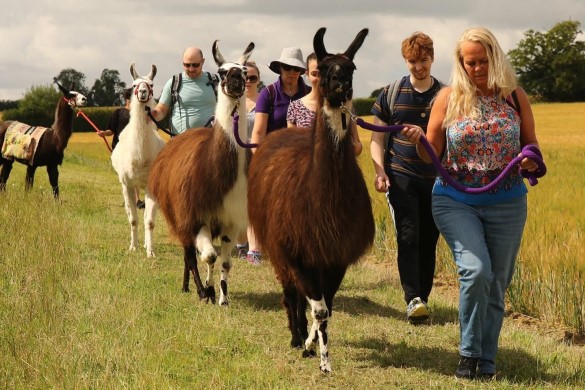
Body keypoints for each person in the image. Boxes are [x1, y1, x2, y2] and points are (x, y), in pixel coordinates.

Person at [404, 27, 540, 380]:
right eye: (470, 62)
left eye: (483, 61)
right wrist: (420, 140)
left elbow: (532, 144)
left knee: (497, 281)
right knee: (476, 271)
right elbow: (428, 153)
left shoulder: (515, 97)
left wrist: (529, 159)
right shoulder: (448, 98)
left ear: (495, 58)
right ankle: (468, 353)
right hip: (455, 199)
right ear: (461, 64)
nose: (478, 68)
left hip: (508, 201)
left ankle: (487, 359)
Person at [370, 32, 443, 323]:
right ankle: (412, 299)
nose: (419, 67)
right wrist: (379, 171)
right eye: (413, 62)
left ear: (432, 58)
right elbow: (376, 139)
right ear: (405, 61)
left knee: (429, 239)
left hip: (435, 179)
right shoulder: (390, 93)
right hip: (401, 174)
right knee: (409, 235)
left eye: (423, 61)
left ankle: (422, 298)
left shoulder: (445, 95)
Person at [247, 46, 310, 265]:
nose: (291, 72)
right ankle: (254, 248)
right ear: (280, 69)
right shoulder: (269, 93)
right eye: (287, 67)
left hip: (301, 158)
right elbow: (258, 131)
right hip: (271, 155)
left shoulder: (309, 93)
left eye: (296, 68)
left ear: (302, 71)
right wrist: (260, 159)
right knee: (259, 199)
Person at [287, 52, 362, 154]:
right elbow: (291, 147)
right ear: (307, 74)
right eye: (315, 74)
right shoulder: (295, 107)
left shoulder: (343, 107)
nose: (320, 78)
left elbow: (357, 146)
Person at [151, 47, 217, 135]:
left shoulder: (216, 82)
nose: (191, 69)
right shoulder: (173, 83)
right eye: (187, 65)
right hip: (181, 142)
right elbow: (162, 110)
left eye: (195, 65)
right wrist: (153, 114)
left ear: (203, 61)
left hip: (209, 142)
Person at [98, 87, 144, 208]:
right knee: (126, 175)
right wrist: (104, 133)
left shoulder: (139, 114)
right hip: (119, 149)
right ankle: (131, 199)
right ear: (128, 99)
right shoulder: (118, 113)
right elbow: (111, 130)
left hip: (134, 148)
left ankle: (137, 200)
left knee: (132, 172)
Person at [235, 61, 261, 260]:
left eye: (253, 78)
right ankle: (241, 243)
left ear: (258, 80)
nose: (248, 82)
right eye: (245, 78)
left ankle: (254, 249)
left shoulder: (264, 102)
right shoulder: (233, 103)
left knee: (253, 202)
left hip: (258, 156)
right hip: (236, 158)